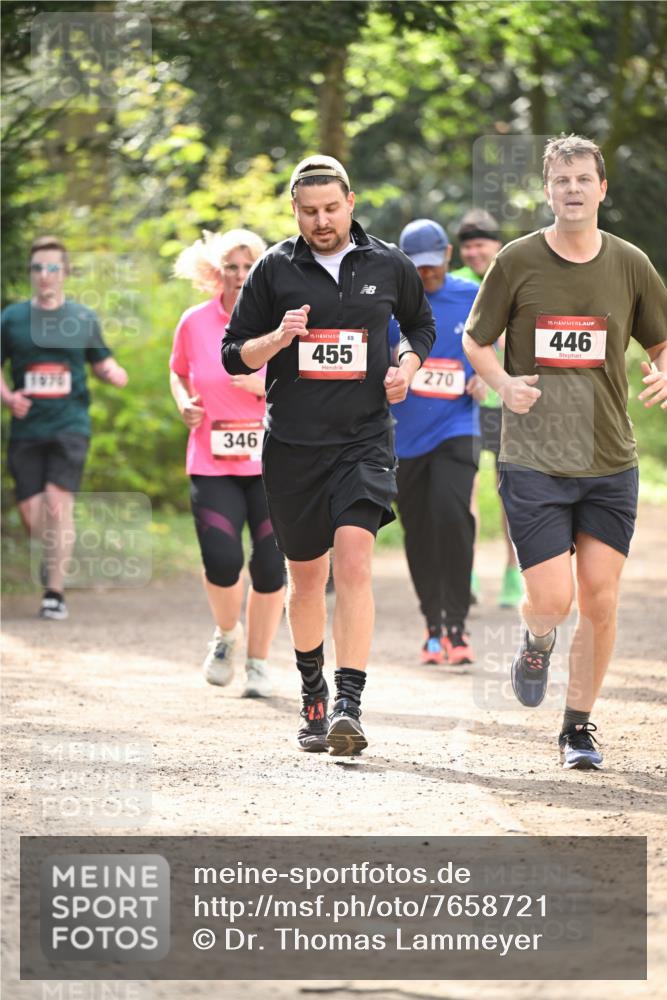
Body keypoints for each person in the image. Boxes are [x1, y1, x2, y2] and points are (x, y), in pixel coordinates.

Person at [463, 134, 667, 770]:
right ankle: (537, 637)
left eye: (584, 179)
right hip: (534, 457)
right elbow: (476, 340)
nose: (573, 189)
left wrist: (665, 368)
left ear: (602, 189)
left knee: (601, 597)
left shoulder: (631, 264)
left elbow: (662, 343)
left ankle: (578, 726)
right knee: (554, 600)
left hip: (609, 457)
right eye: (561, 181)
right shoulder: (518, 262)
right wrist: (501, 384)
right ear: (547, 192)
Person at [222, 155, 435, 755]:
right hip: (293, 446)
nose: (322, 221)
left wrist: (408, 366)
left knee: (356, 563)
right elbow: (233, 354)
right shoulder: (272, 268)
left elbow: (420, 326)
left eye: (331, 209)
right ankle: (312, 694)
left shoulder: (388, 263)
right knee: (307, 579)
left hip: (364, 439)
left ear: (351, 202)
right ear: (295, 210)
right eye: (310, 211)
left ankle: (349, 704)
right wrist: (278, 339)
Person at [170, 229, 286, 698]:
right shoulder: (194, 321)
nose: (239, 275)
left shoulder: (278, 321)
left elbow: (305, 377)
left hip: (271, 461)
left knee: (270, 567)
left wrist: (267, 388)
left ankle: (258, 663)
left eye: (248, 267)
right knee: (222, 559)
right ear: (216, 273)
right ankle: (226, 635)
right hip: (211, 460)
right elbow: (178, 371)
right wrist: (183, 403)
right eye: (230, 267)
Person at [1, 235, 128, 620]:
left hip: (70, 425)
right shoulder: (12, 318)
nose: (45, 275)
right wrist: (8, 398)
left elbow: (100, 361)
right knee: (32, 513)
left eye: (53, 267)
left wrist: (112, 372)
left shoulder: (82, 317)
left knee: (59, 504)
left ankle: (54, 592)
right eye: (38, 267)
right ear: (31, 274)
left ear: (65, 273)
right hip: (27, 429)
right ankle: (54, 554)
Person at [389, 219, 484, 666]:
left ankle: (458, 625)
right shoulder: (394, 304)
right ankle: (432, 624)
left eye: (432, 265)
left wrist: (485, 373)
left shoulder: (471, 294)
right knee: (419, 530)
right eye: (417, 267)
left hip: (456, 427)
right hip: (403, 438)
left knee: (452, 514)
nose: (426, 275)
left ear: (447, 253)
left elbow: (498, 340)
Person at [452, 210, 522, 609]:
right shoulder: (457, 282)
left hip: (507, 403)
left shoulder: (514, 276)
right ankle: (470, 570)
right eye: (468, 245)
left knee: (509, 490)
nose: (475, 252)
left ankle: (513, 573)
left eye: (481, 243)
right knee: (467, 490)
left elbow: (523, 340)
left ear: (497, 244)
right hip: (464, 404)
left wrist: (494, 375)